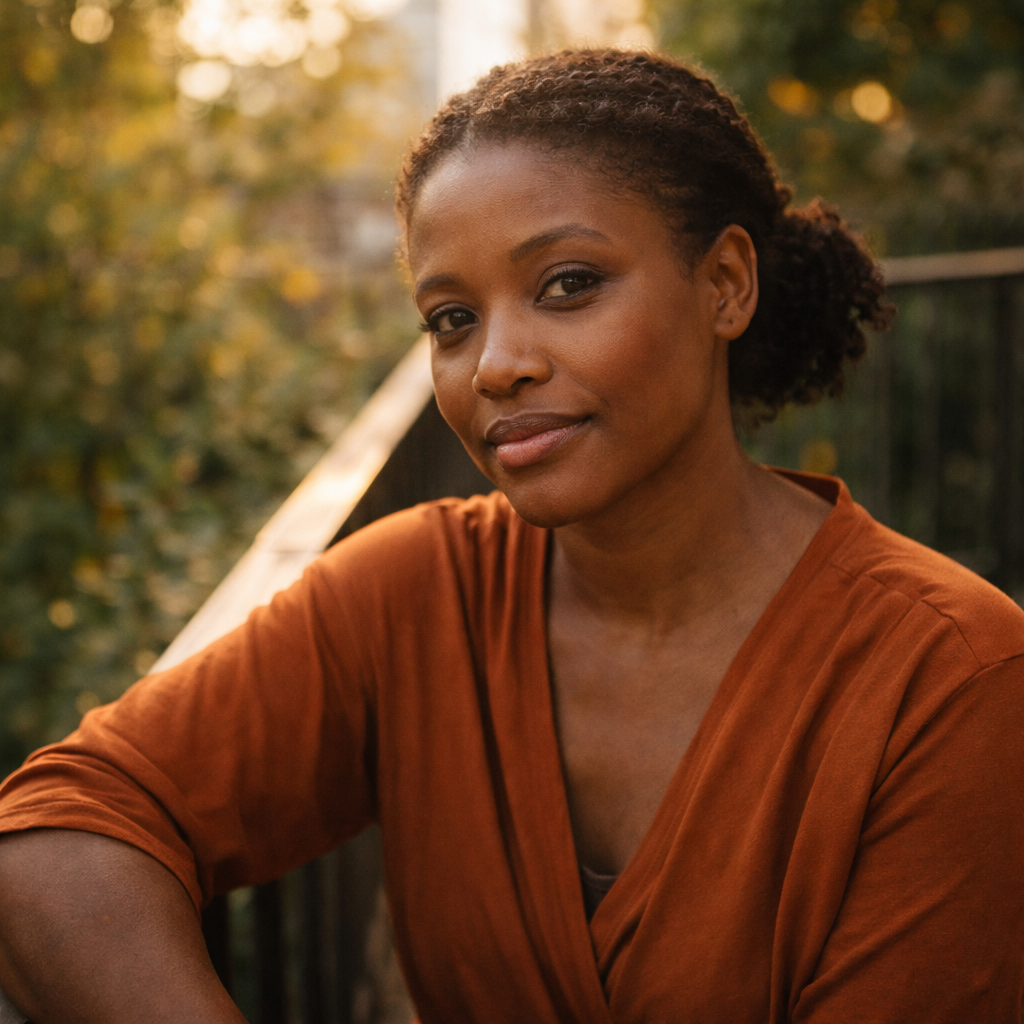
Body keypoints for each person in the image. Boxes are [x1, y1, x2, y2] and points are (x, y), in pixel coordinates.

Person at [0, 48, 1022, 1024]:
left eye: (567, 283)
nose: (495, 364)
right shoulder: (414, 591)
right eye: (450, 319)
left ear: (723, 285)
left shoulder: (953, 679)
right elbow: (56, 828)